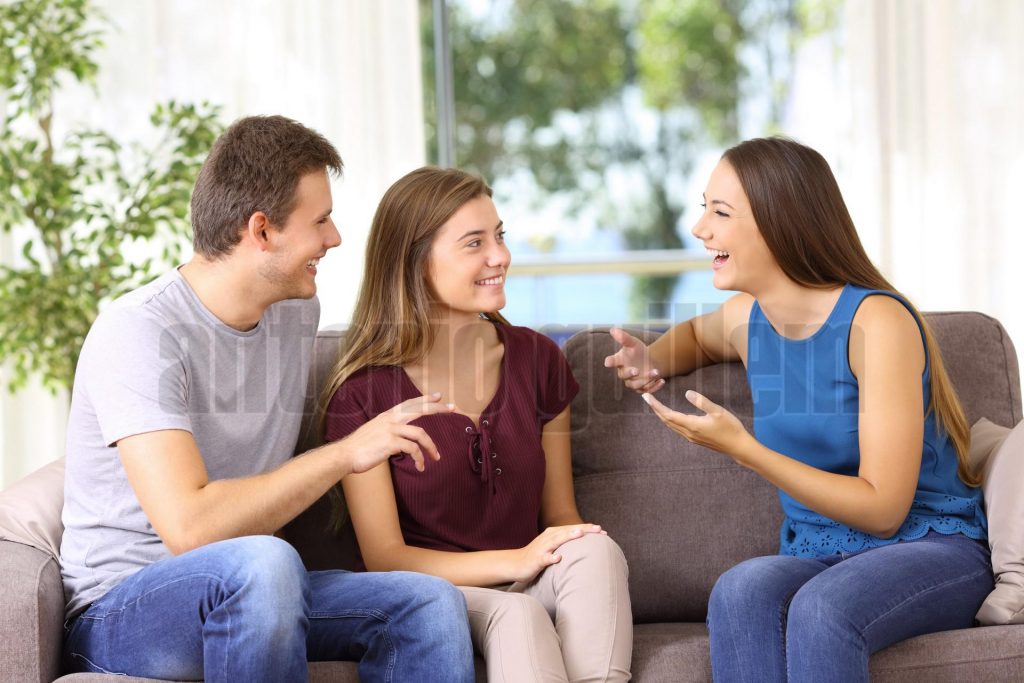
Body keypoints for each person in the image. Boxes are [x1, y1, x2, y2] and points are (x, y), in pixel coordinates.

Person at [59, 116, 475, 682]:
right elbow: (191, 529)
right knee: (266, 561)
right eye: (320, 221)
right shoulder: (139, 332)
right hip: (122, 610)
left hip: (257, 587)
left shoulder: (295, 311)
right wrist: (345, 453)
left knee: (427, 603)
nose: (334, 239)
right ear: (261, 230)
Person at [604, 137, 991, 682]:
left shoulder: (875, 323)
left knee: (822, 609)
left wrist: (746, 450)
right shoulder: (747, 317)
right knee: (739, 589)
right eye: (704, 208)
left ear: (779, 222)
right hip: (819, 551)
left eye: (720, 212)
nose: (700, 229)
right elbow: (698, 335)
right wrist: (652, 358)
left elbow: (884, 511)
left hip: (931, 547)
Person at [322, 166, 633, 682]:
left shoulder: (537, 358)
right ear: (417, 263)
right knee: (517, 615)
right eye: (474, 243)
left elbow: (560, 514)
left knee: (593, 548)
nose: (501, 256)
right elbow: (386, 557)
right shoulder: (363, 394)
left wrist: (537, 558)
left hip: (528, 572)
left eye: (500, 235)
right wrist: (514, 562)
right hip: (436, 595)